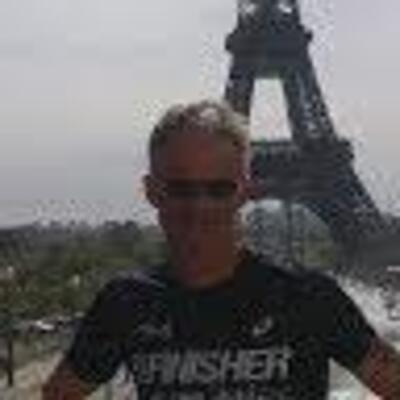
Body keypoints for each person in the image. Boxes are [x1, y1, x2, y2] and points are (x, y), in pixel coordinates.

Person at [43, 100, 400, 399]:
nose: (200, 206)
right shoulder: (125, 302)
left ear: (244, 191)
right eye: (181, 188)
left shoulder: (310, 297)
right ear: (152, 191)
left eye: (218, 189)